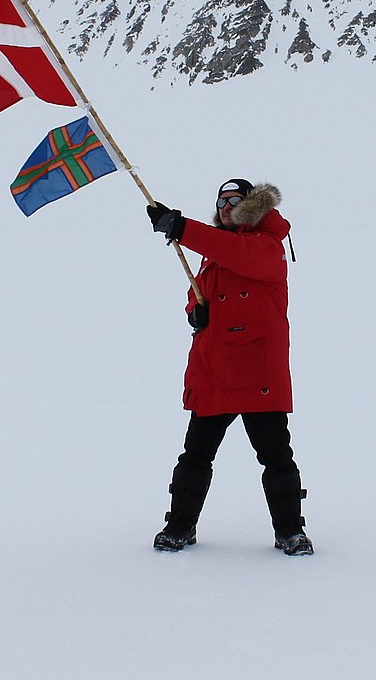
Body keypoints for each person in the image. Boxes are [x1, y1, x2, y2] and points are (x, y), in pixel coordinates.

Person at [144, 178, 312, 555]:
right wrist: (195, 311)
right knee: (195, 456)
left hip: (257, 373)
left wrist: (181, 227)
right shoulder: (214, 253)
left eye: (235, 200)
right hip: (215, 371)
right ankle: (179, 527)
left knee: (276, 457)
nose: (225, 206)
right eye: (221, 200)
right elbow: (199, 289)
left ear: (252, 205)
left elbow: (236, 253)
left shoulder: (266, 246)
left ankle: (290, 532)